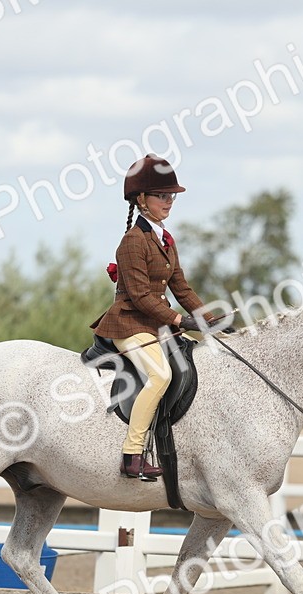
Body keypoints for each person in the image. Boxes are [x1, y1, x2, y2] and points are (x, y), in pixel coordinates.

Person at [90, 154, 212, 480]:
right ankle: (132, 454)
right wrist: (177, 320)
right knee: (160, 376)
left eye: (171, 196)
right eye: (162, 196)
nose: (169, 202)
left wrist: (208, 319)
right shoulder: (132, 242)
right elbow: (142, 297)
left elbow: (181, 287)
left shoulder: (165, 240)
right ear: (142, 199)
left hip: (153, 323)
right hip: (129, 322)